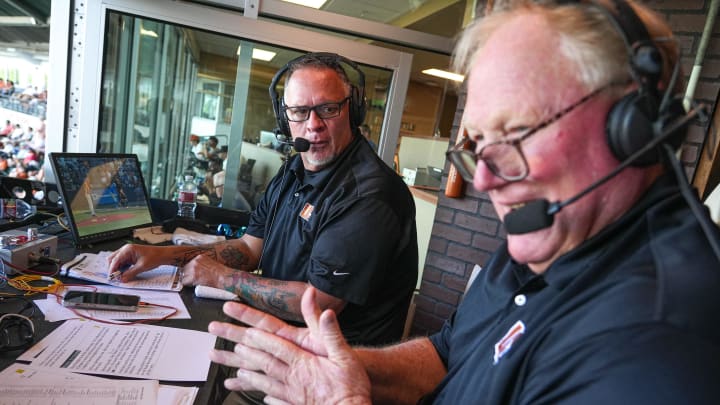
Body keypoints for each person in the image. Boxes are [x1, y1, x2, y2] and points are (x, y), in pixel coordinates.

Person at [206, 1, 720, 404]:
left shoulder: (659, 346)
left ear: (631, 127)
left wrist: (344, 399)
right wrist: (345, 368)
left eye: (516, 133)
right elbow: (448, 354)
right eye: (479, 144)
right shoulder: (550, 235)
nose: (488, 179)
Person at [108, 53, 418, 345]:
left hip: (336, 373)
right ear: (286, 120)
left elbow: (321, 301)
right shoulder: (294, 170)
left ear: (353, 110)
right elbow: (248, 248)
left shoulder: (369, 195)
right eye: (299, 112)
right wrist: (160, 256)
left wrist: (222, 277)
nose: (313, 124)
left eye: (328, 108)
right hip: (279, 340)